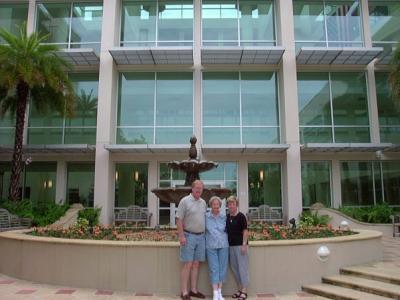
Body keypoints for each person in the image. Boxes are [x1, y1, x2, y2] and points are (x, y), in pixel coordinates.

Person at [176, 180, 207, 300]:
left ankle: (193, 290)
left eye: (201, 188)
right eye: (197, 188)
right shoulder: (185, 201)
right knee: (188, 264)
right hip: (188, 236)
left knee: (196, 264)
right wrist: (181, 236)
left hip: (201, 237)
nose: (199, 190)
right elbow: (179, 219)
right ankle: (184, 292)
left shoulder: (203, 202)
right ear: (192, 189)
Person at [205, 196, 229, 300]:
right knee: (214, 268)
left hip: (223, 244)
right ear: (211, 206)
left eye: (217, 204)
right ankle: (215, 293)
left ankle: (220, 292)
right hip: (211, 245)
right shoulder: (206, 216)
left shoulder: (224, 217)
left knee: (222, 268)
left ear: (220, 206)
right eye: (214, 204)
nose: (216, 206)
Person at [226, 196, 249, 300]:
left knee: (242, 268)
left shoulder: (241, 216)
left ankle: (244, 291)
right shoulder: (227, 217)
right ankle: (240, 290)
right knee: (235, 269)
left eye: (233, 203)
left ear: (236, 205)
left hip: (240, 246)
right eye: (229, 204)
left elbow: (245, 231)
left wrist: (244, 244)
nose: (231, 205)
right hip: (230, 246)